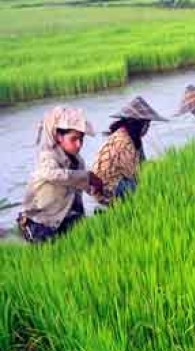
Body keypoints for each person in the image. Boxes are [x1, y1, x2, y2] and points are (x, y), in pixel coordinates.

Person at [16, 106, 103, 243]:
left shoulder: (78, 161)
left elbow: (80, 190)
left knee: (88, 236)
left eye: (81, 139)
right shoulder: (47, 156)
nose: (79, 144)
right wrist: (87, 177)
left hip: (64, 215)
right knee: (47, 246)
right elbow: (53, 174)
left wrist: (97, 190)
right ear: (59, 137)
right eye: (73, 139)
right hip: (40, 220)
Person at [91, 96, 167, 205]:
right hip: (110, 189)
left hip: (108, 186)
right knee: (140, 186)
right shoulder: (125, 142)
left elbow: (142, 163)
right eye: (147, 125)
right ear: (140, 125)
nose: (148, 128)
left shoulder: (128, 136)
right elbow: (133, 174)